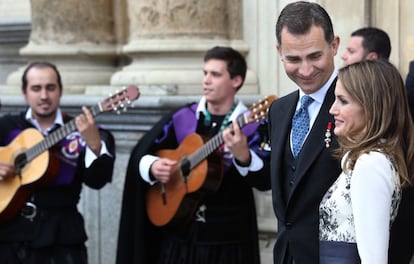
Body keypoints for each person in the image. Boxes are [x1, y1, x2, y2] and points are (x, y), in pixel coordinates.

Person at [116, 46, 271, 264]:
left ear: (236, 81)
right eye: (205, 73)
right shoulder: (182, 118)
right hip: (180, 236)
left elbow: (266, 179)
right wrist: (152, 166)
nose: (206, 80)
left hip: (228, 240)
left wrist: (244, 156)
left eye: (215, 74)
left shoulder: (252, 126)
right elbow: (143, 153)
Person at [0, 61, 115, 263]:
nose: (44, 96)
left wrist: (95, 145)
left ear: (60, 91)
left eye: (50, 88)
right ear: (24, 93)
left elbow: (97, 181)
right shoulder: (7, 127)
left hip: (62, 240)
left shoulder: (85, 132)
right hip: (9, 236)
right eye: (36, 88)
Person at [268, 2, 342, 263]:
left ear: (334, 45)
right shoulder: (278, 110)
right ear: (279, 51)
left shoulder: (361, 105)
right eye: (293, 59)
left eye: (314, 56)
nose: (306, 70)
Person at [319, 59, 414, 263]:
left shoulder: (371, 163)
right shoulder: (366, 158)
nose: (332, 109)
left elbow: (374, 258)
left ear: (371, 105)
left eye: (343, 101)